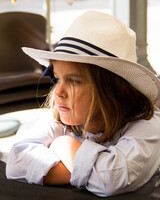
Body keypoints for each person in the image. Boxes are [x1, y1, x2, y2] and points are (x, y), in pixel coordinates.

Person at [6, 11, 160, 197]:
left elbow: (112, 179)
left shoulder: (148, 126)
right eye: (57, 79)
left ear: (111, 91)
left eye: (74, 81)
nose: (59, 92)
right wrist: (82, 170)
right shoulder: (62, 116)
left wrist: (64, 145)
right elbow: (17, 161)